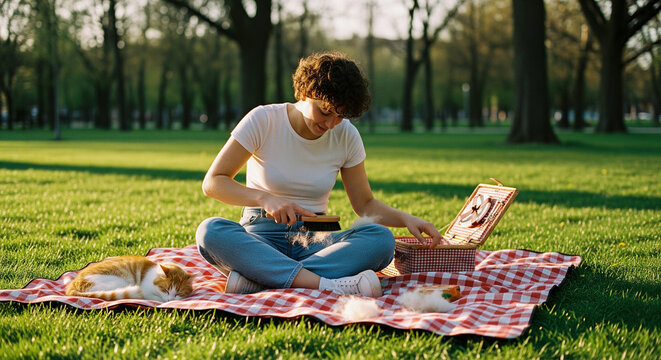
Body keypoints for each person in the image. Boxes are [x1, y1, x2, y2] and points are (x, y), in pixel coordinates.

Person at [196, 52, 443, 297]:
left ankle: (262, 278)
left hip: (316, 240)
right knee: (210, 231)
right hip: (261, 236)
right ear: (304, 93)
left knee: (381, 240)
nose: (330, 124)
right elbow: (214, 182)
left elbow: (365, 204)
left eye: (340, 115)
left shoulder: (346, 135)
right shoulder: (263, 119)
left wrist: (407, 219)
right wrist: (264, 199)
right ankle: (325, 284)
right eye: (325, 112)